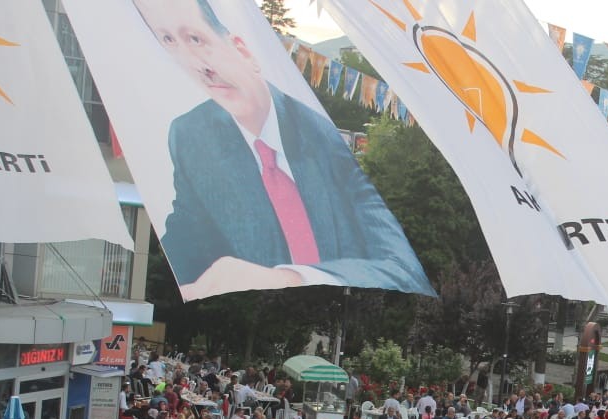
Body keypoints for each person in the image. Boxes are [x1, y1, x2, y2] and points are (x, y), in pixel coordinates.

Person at [131, 0, 431, 301]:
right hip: (252, 323)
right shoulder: (191, 134)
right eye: (168, 41)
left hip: (323, 317)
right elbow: (186, 239)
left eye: (196, 39)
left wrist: (290, 276)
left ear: (243, 50)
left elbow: (403, 267)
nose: (196, 65)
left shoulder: (323, 138)